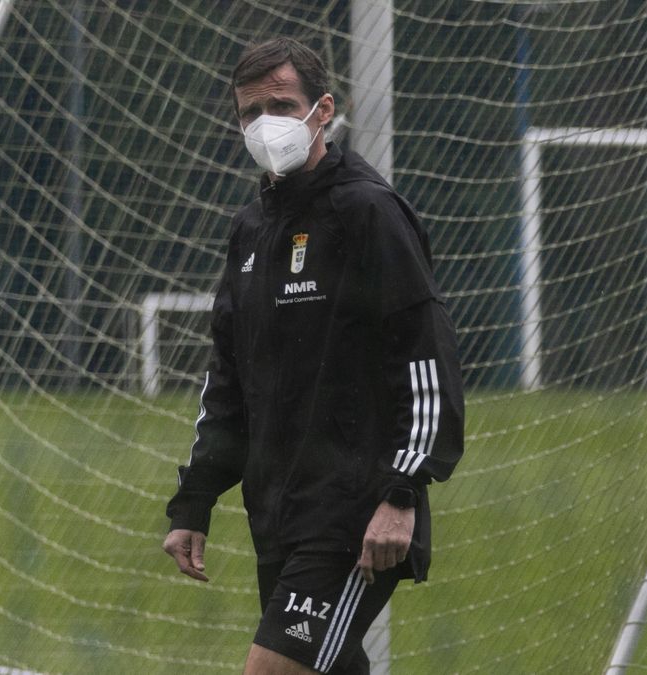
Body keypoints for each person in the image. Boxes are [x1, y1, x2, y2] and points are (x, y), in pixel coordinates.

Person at [162, 37, 464, 675]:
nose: (266, 123)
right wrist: (194, 502)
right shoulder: (250, 229)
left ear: (322, 110)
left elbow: (426, 354)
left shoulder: (367, 211)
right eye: (251, 112)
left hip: (354, 519)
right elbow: (229, 383)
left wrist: (402, 493)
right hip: (276, 513)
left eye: (282, 104)